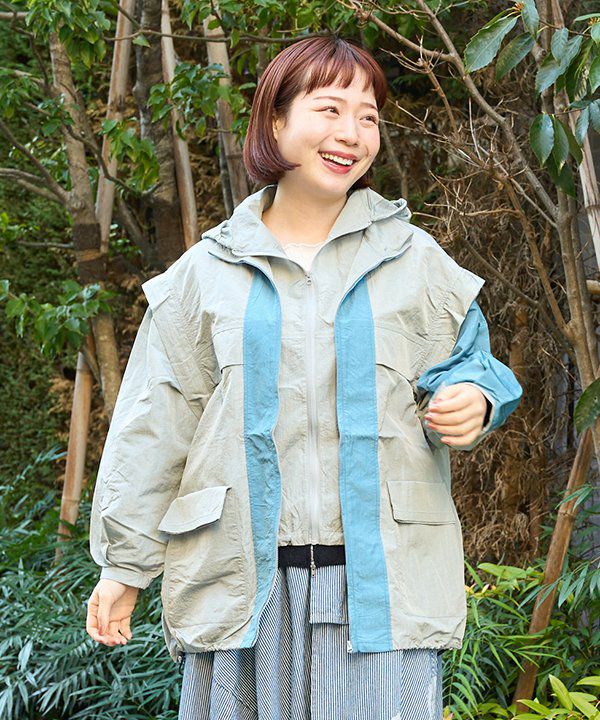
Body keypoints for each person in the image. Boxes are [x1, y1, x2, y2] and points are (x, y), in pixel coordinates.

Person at [86, 35, 523, 720]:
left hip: (380, 589)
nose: (352, 133)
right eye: (329, 109)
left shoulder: (415, 259)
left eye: (368, 117)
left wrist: (476, 397)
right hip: (241, 586)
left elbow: (473, 363)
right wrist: (125, 565)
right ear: (276, 120)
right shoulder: (206, 273)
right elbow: (155, 424)